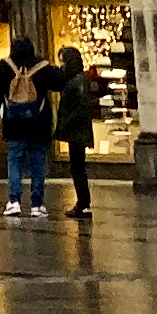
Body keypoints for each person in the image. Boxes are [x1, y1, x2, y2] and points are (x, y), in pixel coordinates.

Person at [0, 36, 54, 220]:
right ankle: (37, 204)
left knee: (14, 163)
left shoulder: (5, 67)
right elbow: (59, 83)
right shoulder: (43, 67)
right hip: (38, 124)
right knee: (38, 165)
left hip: (14, 125)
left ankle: (14, 202)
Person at [52, 46, 99, 217]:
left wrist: (66, 125)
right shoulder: (77, 79)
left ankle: (83, 202)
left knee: (77, 168)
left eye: (63, 61)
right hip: (77, 130)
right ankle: (83, 202)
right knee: (77, 167)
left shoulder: (78, 81)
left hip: (77, 131)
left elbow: (81, 108)